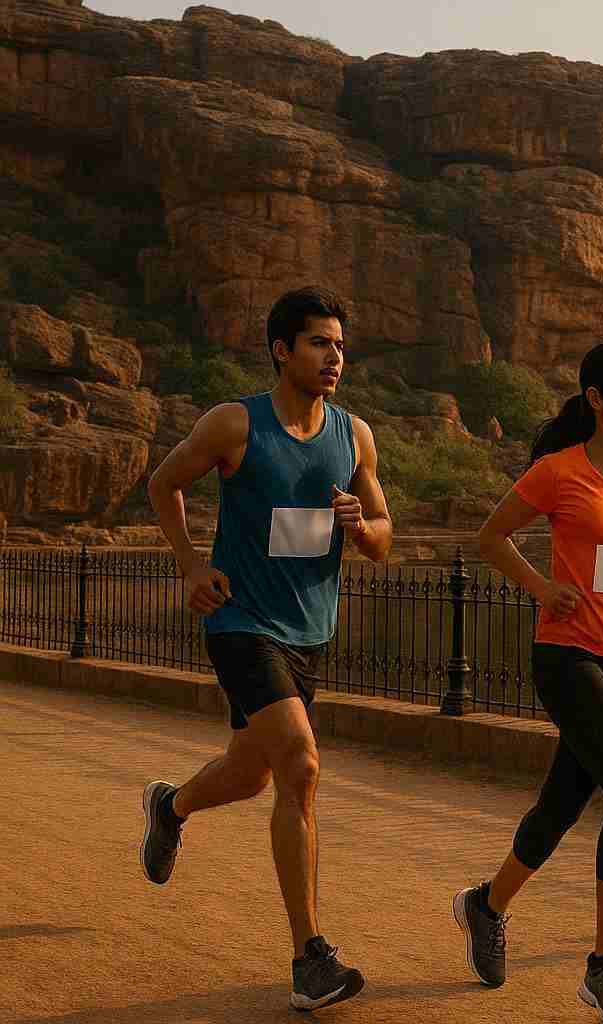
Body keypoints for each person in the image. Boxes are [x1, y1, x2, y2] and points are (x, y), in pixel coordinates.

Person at [139, 286, 392, 1010]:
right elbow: (164, 482)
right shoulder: (235, 423)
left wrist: (360, 526)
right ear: (282, 350)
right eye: (318, 343)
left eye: (339, 344)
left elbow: (383, 539)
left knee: (251, 775)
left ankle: (172, 807)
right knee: (301, 766)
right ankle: (311, 958)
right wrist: (191, 564)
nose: (334, 356)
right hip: (241, 623)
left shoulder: (355, 436)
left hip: (310, 630)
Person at [454, 341, 603, 1024]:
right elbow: (491, 537)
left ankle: (486, 905)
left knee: (563, 803)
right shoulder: (559, 472)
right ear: (596, 399)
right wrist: (541, 586)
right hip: (567, 656)